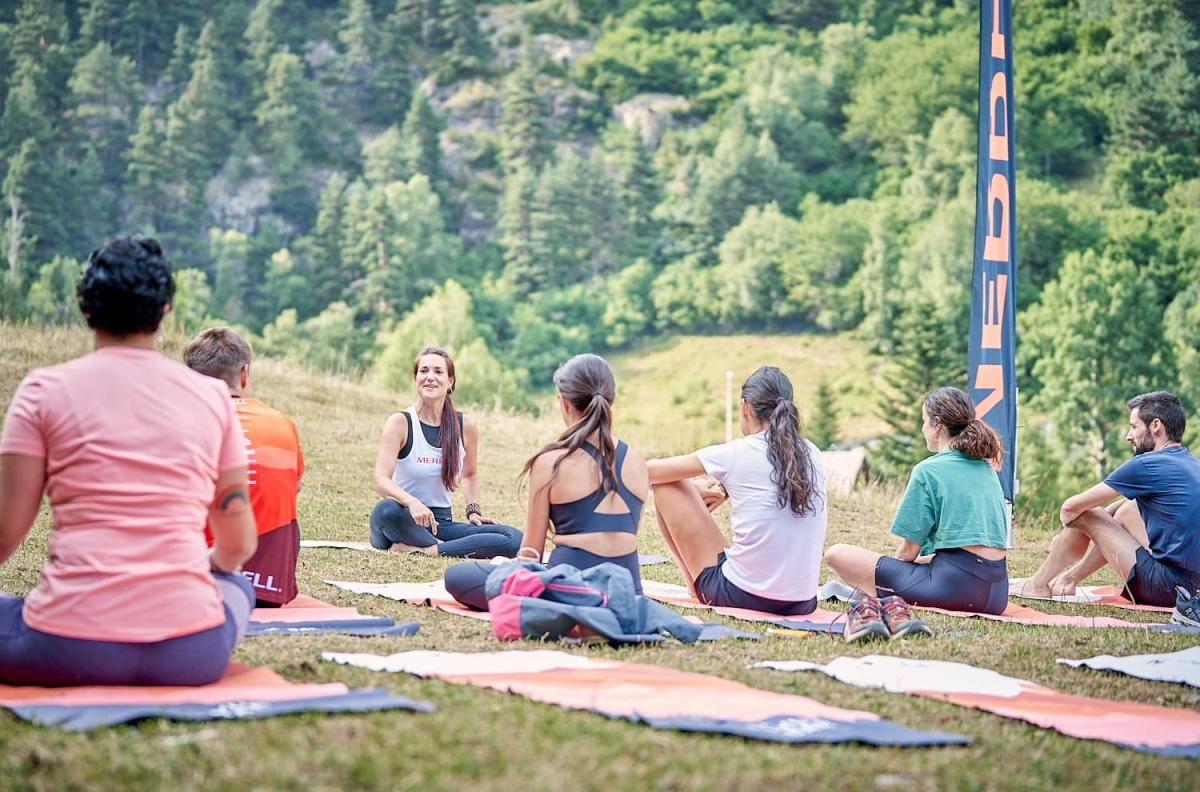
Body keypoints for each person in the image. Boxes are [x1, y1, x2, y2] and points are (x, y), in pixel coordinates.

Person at [0, 235, 257, 686]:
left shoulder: (42, 391)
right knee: (237, 587)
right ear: (165, 309)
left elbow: (5, 533)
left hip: (63, 650)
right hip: (189, 654)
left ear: (86, 307)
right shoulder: (213, 397)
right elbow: (237, 546)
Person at [445, 354, 647, 610]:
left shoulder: (552, 462)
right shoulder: (637, 462)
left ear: (564, 402)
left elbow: (532, 552)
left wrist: (512, 572)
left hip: (567, 592)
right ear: (611, 400)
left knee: (458, 576)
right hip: (628, 596)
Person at [647, 366, 826, 616]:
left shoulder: (736, 452)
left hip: (743, 596)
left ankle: (696, 588)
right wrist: (723, 488)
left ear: (745, 407)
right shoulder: (812, 453)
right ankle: (699, 586)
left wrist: (692, 487)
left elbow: (648, 472)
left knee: (667, 484)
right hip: (802, 602)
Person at [824, 386, 1008, 626]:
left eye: (924, 421)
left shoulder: (928, 470)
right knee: (915, 566)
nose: (923, 428)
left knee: (836, 553)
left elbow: (908, 553)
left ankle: (874, 593)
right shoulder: (986, 468)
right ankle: (876, 590)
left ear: (937, 424)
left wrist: (886, 575)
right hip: (997, 594)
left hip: (956, 590)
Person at [1021, 391, 1200, 607]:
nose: (1128, 436)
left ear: (1155, 426)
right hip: (1193, 589)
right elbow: (1122, 509)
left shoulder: (1146, 464)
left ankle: (1038, 584)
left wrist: (1066, 534)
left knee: (1087, 513)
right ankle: (1069, 579)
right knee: (1126, 510)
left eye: (1134, 427)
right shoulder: (1191, 463)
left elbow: (1070, 509)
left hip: (1167, 589)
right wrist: (1099, 528)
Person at [184, 327, 304, 608]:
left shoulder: (183, 421)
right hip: (267, 588)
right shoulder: (282, 423)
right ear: (244, 374)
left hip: (197, 577)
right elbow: (294, 487)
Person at [369, 347, 521, 558]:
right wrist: (412, 502)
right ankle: (448, 548)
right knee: (385, 511)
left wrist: (473, 511)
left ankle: (428, 549)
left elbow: (470, 474)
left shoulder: (464, 425)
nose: (430, 377)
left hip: (441, 525)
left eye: (438, 372)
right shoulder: (400, 422)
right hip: (402, 517)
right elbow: (380, 480)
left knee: (513, 538)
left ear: (450, 381)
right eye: (424, 371)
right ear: (415, 379)